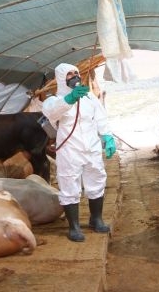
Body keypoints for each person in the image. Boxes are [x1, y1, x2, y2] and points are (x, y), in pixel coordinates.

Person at [42, 63, 117, 242]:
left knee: (97, 179)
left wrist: (107, 136)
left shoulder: (89, 97)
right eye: (69, 74)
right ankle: (74, 227)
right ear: (61, 78)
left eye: (76, 73)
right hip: (69, 150)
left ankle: (96, 219)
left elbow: (100, 117)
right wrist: (69, 99)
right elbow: (52, 113)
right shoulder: (53, 100)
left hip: (91, 147)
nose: (74, 76)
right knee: (69, 184)